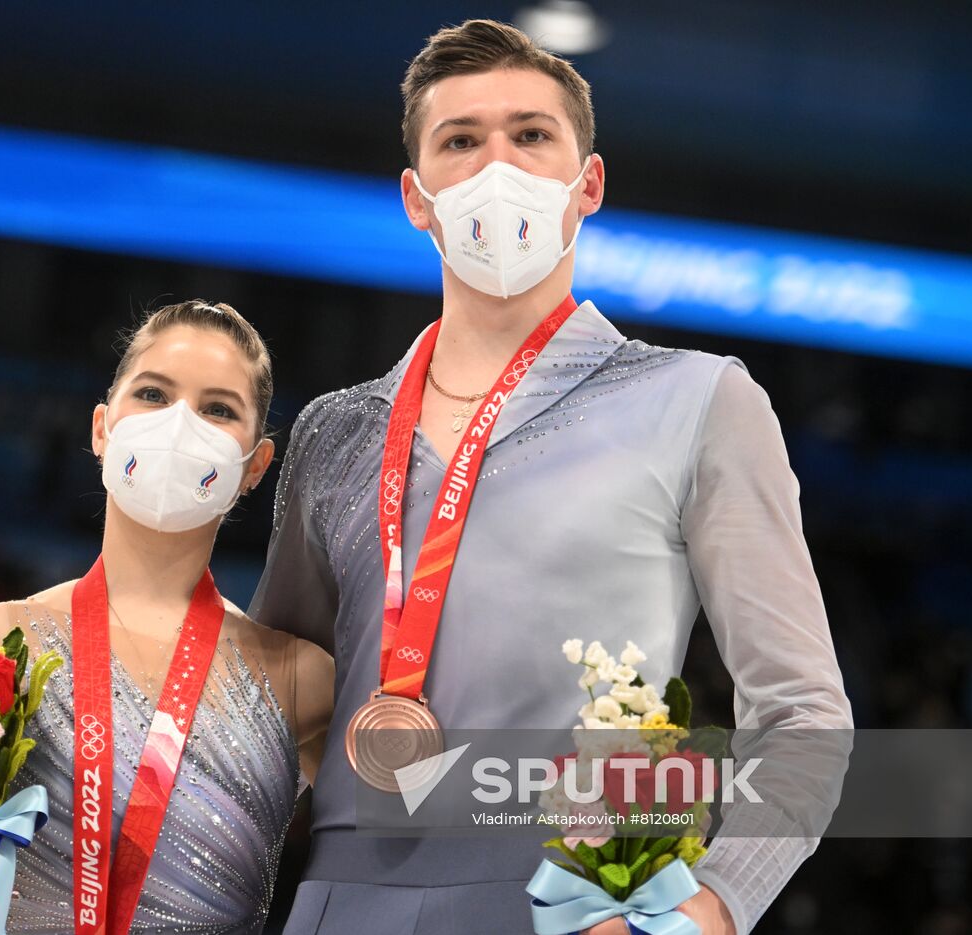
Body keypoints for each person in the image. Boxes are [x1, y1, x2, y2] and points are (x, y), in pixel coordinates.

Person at [249, 19, 853, 935]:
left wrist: (714, 905)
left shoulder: (698, 400)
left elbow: (805, 710)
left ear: (588, 184)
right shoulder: (338, 432)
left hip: (580, 903)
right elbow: (268, 718)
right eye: (461, 140)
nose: (498, 165)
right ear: (416, 197)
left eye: (531, 134)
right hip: (338, 902)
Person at [0, 300, 335, 934]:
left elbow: (425, 824)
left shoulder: (298, 676)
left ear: (255, 465)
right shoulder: (1, 640)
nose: (179, 424)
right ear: (102, 428)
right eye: (153, 393)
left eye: (218, 409)